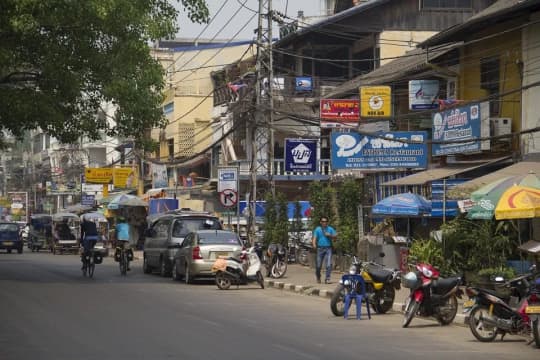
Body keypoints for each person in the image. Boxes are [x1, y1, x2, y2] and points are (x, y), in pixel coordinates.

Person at [312, 216, 337, 284]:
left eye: (325, 221)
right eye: (323, 221)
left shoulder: (330, 229)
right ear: (320, 222)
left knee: (329, 264)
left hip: (328, 248)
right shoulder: (317, 229)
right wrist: (314, 244)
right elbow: (314, 238)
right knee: (318, 265)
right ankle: (318, 276)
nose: (324, 223)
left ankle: (327, 279)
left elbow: (336, 237)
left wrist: (330, 235)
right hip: (320, 248)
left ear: (327, 222)